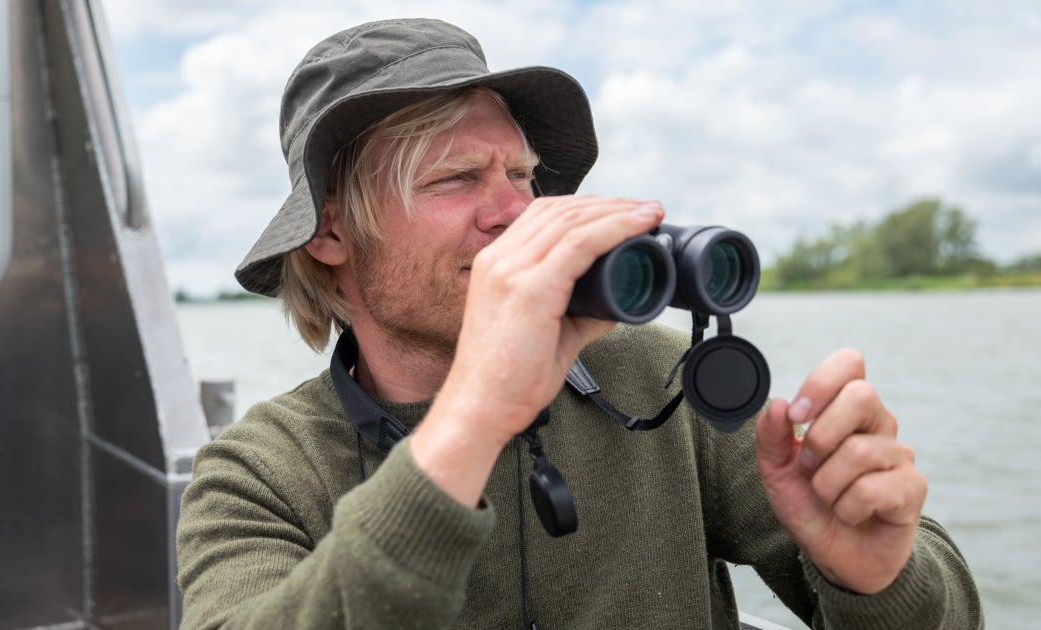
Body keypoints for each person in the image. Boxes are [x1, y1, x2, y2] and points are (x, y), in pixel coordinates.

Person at [176, 18, 983, 630]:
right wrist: (478, 411)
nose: (515, 211)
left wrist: (878, 578)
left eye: (522, 174)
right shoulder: (256, 474)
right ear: (329, 234)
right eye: (456, 178)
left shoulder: (654, 376)